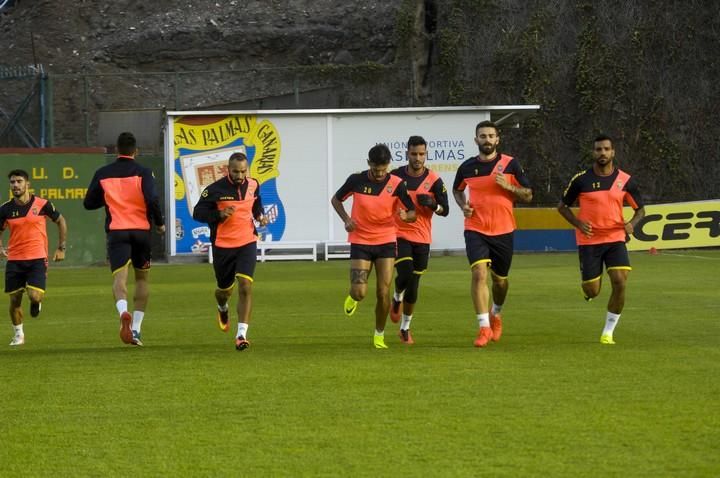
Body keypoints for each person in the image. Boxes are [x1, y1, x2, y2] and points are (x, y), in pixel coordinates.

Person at [557, 134, 645, 345]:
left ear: (613, 152)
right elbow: (562, 206)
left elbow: (640, 210)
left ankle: (608, 332)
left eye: (606, 149)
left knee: (620, 282)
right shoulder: (581, 180)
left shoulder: (625, 180)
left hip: (615, 238)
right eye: (598, 149)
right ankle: (590, 287)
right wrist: (578, 223)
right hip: (589, 241)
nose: (602, 153)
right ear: (593, 152)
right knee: (592, 290)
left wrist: (632, 223)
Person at [452, 120, 533, 348]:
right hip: (475, 228)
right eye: (482, 136)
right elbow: (457, 191)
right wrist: (463, 206)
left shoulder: (511, 164)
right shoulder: (467, 167)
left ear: (498, 139)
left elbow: (528, 195)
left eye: (491, 136)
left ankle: (496, 314)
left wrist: (509, 187)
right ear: (475, 140)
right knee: (479, 274)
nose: (487, 140)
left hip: (503, 230)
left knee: (500, 281)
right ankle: (483, 327)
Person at [83, 132, 165, 346]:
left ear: (116, 149)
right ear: (135, 151)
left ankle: (122, 312)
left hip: (117, 231)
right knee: (141, 279)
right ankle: (136, 329)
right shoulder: (144, 172)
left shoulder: (103, 173)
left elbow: (89, 203)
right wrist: (159, 222)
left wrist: (111, 197)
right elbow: (152, 198)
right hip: (141, 231)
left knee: (119, 279)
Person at [331, 143, 416, 349]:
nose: (379, 173)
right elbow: (336, 199)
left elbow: (412, 212)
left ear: (388, 165)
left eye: (383, 168)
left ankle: (379, 335)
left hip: (386, 241)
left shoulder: (397, 184)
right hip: (360, 241)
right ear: (368, 163)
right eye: (376, 168)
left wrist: (406, 216)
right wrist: (346, 219)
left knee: (382, 292)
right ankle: (353, 297)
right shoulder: (356, 180)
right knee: (360, 291)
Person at [192, 152, 268, 351]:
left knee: (245, 285)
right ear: (228, 169)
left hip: (247, 242)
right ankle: (222, 307)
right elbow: (198, 213)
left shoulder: (254, 184)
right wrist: (219, 214)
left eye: (244, 171)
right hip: (223, 246)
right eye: (236, 171)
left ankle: (241, 335)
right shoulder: (214, 189)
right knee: (224, 291)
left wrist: (260, 216)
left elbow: (256, 204)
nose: (240, 175)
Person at [389, 135, 449, 344]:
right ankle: (397, 297)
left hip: (422, 238)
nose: (417, 158)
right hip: (399, 233)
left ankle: (405, 328)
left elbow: (445, 210)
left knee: (414, 284)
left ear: (426, 154)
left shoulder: (434, 181)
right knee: (405, 272)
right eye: (413, 154)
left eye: (421, 154)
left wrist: (433, 205)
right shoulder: (395, 176)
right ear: (407, 153)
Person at [0, 169, 67, 346]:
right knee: (14, 300)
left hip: (37, 258)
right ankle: (19, 334)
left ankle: (36, 303)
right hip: (14, 259)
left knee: (34, 296)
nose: (15, 185)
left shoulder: (42, 204)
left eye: (19, 181)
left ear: (27, 184)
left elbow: (61, 221)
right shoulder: (5, 209)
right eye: (12, 182)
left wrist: (61, 247)